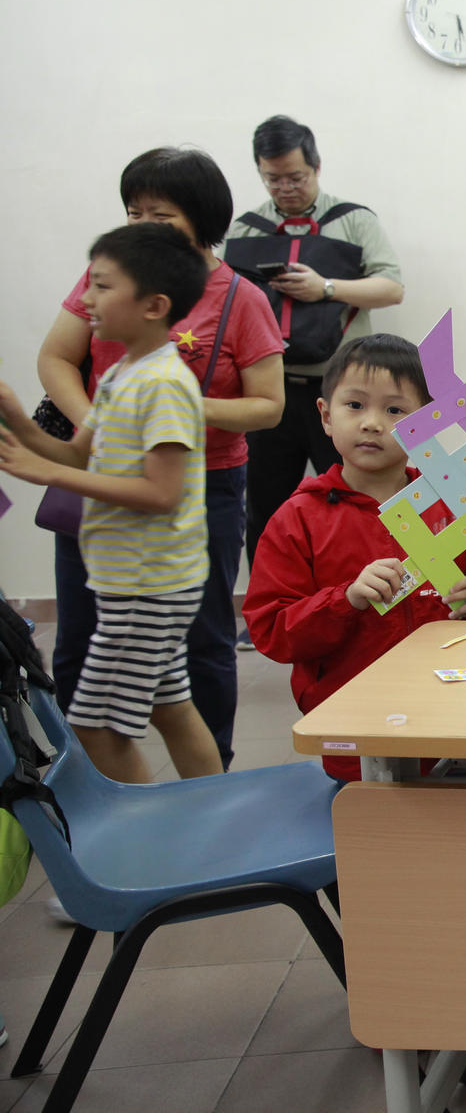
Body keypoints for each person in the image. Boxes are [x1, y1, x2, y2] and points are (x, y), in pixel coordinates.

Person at [35, 147, 285, 768]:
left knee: (201, 643)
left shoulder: (240, 297)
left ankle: (203, 785)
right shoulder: (111, 276)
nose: (143, 225)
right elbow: (57, 357)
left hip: (204, 488)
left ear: (203, 220)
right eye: (133, 212)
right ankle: (84, 787)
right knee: (81, 637)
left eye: (161, 215)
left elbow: (268, 406)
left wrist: (166, 411)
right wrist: (99, 423)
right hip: (104, 481)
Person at [0, 223, 221, 783]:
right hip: (140, 578)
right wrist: (19, 421)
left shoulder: (163, 384)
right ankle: (211, 811)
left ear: (154, 306)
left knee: (97, 728)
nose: (87, 300)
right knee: (170, 707)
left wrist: (51, 473)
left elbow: (162, 494)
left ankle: (152, 829)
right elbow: (79, 455)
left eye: (101, 286)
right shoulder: (121, 373)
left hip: (148, 583)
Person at [243, 335, 466, 781]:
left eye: (395, 410)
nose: (372, 423)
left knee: (465, 819)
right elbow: (271, 631)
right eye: (355, 405)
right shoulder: (299, 519)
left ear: (427, 424)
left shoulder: (449, 506)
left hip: (454, 726)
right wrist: (345, 600)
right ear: (325, 416)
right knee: (370, 823)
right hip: (358, 733)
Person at [223, 115, 405, 577]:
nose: (285, 188)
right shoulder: (245, 229)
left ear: (317, 167)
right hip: (270, 389)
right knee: (265, 504)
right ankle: (272, 598)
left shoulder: (354, 220)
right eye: (273, 179)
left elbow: (391, 287)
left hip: (345, 391)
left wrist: (325, 287)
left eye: (296, 177)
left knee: (358, 498)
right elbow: (227, 300)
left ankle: (367, 588)